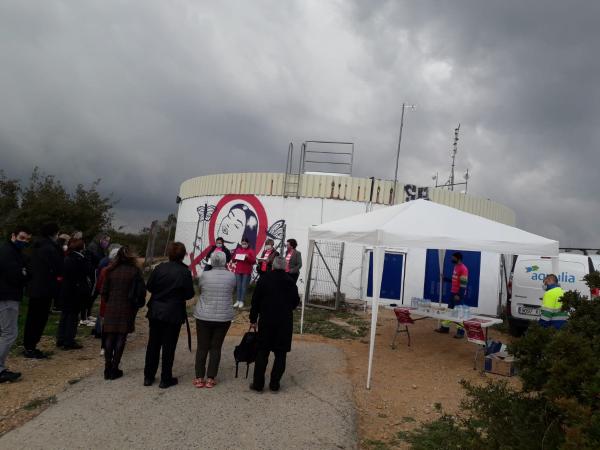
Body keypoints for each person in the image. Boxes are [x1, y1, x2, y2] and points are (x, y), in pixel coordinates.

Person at [144, 242, 195, 389]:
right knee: (169, 346)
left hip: (156, 311)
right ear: (183, 255)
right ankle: (165, 378)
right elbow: (189, 294)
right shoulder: (184, 272)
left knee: (153, 344)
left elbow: (150, 286)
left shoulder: (160, 268)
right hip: (173, 312)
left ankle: (148, 376)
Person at [249, 256, 300, 392]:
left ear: (273, 266)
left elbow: (255, 301)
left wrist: (253, 319)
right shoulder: (290, 281)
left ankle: (258, 384)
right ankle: (274, 384)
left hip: (266, 320)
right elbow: (295, 302)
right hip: (284, 322)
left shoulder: (264, 279)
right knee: (281, 354)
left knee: (262, 352)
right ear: (285, 267)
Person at [192, 251, 236, 389]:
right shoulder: (231, 276)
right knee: (216, 347)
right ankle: (211, 378)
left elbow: (200, 290)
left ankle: (199, 377)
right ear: (225, 261)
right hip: (223, 317)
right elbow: (232, 291)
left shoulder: (205, 275)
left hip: (204, 315)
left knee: (202, 347)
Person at [101, 246, 143, 380]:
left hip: (112, 306)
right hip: (127, 307)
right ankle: (114, 367)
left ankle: (107, 368)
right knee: (121, 337)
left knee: (109, 337)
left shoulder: (110, 271)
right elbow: (140, 291)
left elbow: (104, 291)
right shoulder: (134, 271)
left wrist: (109, 301)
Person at [23, 223, 63, 359]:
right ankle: (31, 347)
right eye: (57, 233)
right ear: (54, 233)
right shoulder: (50, 248)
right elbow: (58, 266)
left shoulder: (36, 245)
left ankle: (28, 345)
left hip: (34, 287)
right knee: (39, 319)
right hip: (44, 288)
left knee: (32, 318)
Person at [0, 226, 32, 383]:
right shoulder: (8, 252)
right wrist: (24, 274)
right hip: (7, 296)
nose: (24, 242)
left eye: (27, 239)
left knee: (6, 332)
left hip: (8, 295)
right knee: (9, 333)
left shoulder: (11, 250)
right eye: (22, 238)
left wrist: (24, 272)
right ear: (13, 236)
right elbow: (16, 275)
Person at [56, 238, 91, 350]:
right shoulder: (79, 259)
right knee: (72, 316)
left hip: (66, 289)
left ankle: (60, 338)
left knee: (65, 315)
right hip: (75, 291)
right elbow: (87, 271)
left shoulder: (67, 257)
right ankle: (69, 340)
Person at [435, 252, 469, 338]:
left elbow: (463, 284)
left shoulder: (463, 269)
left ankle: (460, 332)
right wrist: (445, 279)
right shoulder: (456, 267)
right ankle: (445, 328)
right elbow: (455, 280)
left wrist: (459, 295)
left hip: (458, 295)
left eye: (453, 258)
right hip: (453, 293)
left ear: (459, 259)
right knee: (449, 311)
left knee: (459, 313)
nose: (452, 259)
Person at [81, 233, 110, 326]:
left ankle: (88, 314)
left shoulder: (99, 248)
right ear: (101, 239)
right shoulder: (93, 247)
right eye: (106, 240)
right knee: (89, 295)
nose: (107, 243)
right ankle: (83, 317)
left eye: (108, 241)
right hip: (92, 273)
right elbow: (97, 260)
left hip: (96, 273)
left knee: (93, 295)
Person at [231, 237, 256, 309]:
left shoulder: (251, 251)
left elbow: (253, 261)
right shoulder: (238, 250)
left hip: (246, 271)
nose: (243, 245)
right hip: (238, 270)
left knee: (243, 286)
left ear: (248, 244)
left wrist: (248, 257)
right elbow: (233, 260)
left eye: (245, 244)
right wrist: (234, 256)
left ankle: (242, 301)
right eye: (242, 243)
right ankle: (238, 300)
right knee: (238, 286)